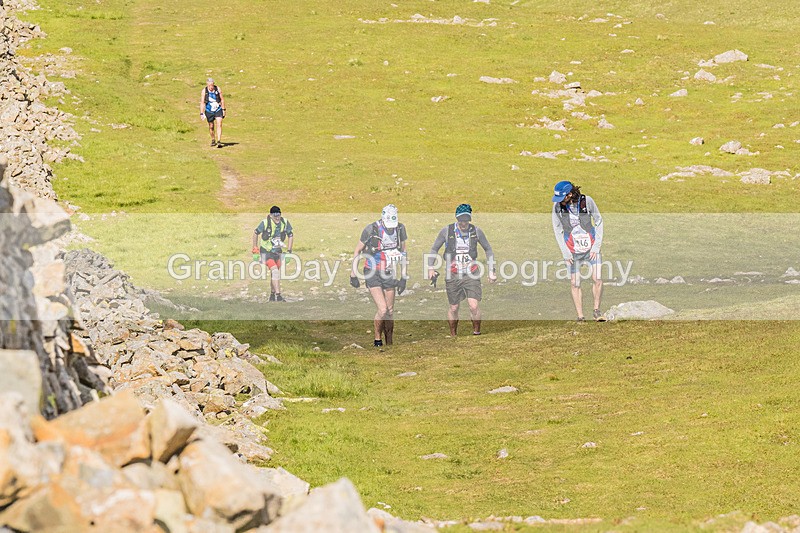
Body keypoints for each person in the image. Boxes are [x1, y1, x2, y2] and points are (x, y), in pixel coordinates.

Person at [428, 204, 496, 336]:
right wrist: (431, 267)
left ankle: (477, 332)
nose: (463, 223)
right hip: (452, 274)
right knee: (454, 307)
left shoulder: (476, 231)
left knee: (474, 306)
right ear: (457, 218)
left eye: (466, 219)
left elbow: (488, 249)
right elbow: (434, 249)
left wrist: (491, 271)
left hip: (471, 273)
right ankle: (453, 334)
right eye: (461, 219)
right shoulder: (446, 231)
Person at [350, 204, 408, 347]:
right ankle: (377, 339)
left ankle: (390, 342)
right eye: (388, 225)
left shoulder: (400, 229)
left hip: (389, 272)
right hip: (372, 271)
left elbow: (404, 252)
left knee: (389, 310)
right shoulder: (371, 229)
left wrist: (403, 277)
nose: (390, 228)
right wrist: (353, 274)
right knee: (382, 309)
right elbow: (357, 250)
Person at [551, 180, 605, 322]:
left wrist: (596, 247)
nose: (559, 201)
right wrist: (565, 252)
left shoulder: (587, 202)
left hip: (591, 247)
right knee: (575, 282)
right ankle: (580, 316)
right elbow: (557, 230)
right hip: (571, 250)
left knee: (597, 279)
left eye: (561, 198)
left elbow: (599, 221)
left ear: (569, 195)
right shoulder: (557, 207)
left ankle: (596, 311)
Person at [252, 206, 293, 302]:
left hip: (277, 252)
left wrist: (289, 251)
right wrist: (255, 249)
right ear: (271, 215)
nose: (277, 218)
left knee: (275, 274)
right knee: (275, 271)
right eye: (275, 216)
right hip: (266, 252)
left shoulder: (285, 222)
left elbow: (290, 235)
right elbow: (255, 233)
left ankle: (272, 295)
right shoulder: (265, 223)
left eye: (279, 215)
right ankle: (278, 296)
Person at [200, 77, 226, 147]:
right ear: (207, 85)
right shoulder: (204, 91)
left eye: (212, 85)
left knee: (219, 124)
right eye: (209, 85)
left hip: (218, 109)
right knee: (211, 126)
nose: (211, 87)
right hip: (209, 110)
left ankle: (219, 141)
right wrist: (201, 113)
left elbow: (222, 99)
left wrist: (223, 109)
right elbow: (202, 102)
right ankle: (213, 139)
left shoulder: (218, 89)